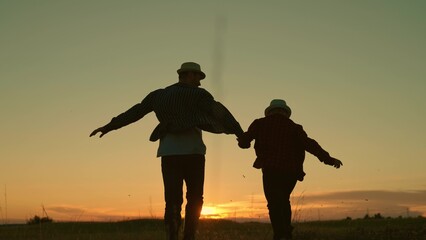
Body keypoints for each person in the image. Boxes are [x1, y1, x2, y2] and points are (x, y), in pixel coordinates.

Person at [90, 62, 244, 240]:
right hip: (194, 152)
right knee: (195, 198)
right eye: (198, 77)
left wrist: (111, 126)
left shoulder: (159, 95)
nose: (200, 82)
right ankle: (189, 236)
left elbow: (136, 111)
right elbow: (220, 112)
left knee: (172, 200)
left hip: (169, 153)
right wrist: (239, 132)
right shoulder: (199, 95)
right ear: (189, 75)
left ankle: (172, 236)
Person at [237, 99, 343, 240]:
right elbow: (310, 145)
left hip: (270, 170)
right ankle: (286, 233)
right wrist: (329, 159)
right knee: (283, 200)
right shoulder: (295, 127)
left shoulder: (260, 123)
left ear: (269, 112)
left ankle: (280, 234)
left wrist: (241, 138)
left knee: (274, 203)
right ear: (286, 112)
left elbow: (244, 143)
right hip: (290, 172)